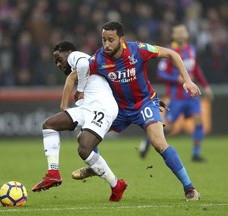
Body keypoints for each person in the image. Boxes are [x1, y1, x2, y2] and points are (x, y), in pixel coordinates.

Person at [75, 21, 201, 201]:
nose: (106, 44)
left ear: (121, 39)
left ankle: (189, 188)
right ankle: (96, 166)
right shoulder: (99, 59)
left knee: (158, 143)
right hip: (118, 109)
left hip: (144, 103)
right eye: (104, 40)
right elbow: (79, 72)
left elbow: (171, 54)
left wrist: (187, 80)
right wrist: (80, 91)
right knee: (84, 139)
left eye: (111, 40)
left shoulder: (138, 49)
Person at [32, 41, 127, 202]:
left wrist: (80, 90)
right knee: (49, 125)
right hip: (89, 107)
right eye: (55, 62)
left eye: (58, 59)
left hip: (102, 107)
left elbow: (83, 64)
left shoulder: (76, 56)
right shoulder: (79, 68)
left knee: (84, 148)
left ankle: (117, 185)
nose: (58, 64)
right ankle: (53, 174)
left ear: (67, 52)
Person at [139, 22, 214, 161]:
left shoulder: (191, 49)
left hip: (191, 95)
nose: (180, 34)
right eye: (177, 32)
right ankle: (148, 141)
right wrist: (177, 78)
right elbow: (161, 74)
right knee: (170, 128)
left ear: (187, 34)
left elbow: (196, 69)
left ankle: (196, 154)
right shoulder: (168, 52)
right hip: (176, 96)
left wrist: (206, 86)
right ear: (173, 35)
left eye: (183, 31)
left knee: (199, 120)